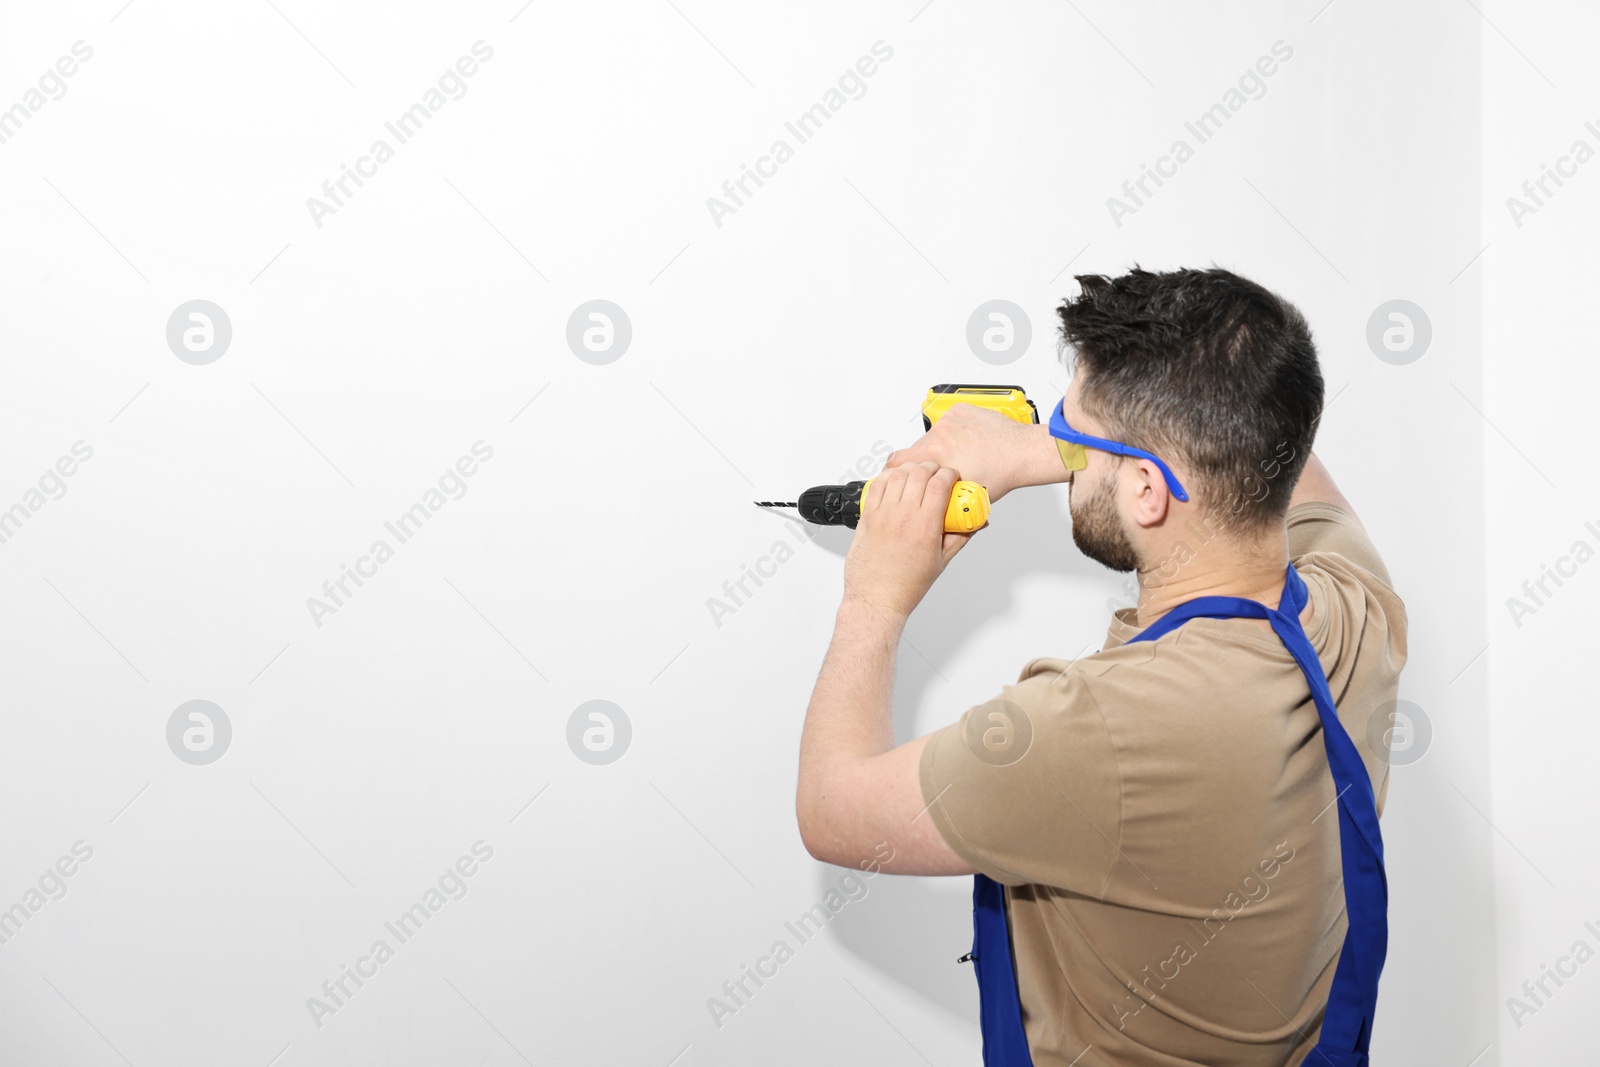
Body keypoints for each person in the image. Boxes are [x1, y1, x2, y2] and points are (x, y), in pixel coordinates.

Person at [794, 266, 1408, 1066]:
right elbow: (1268, 426)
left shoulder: (1092, 731)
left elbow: (833, 811)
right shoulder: (1356, 610)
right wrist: (1064, 446)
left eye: (1074, 435)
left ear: (1149, 489)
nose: (1065, 451)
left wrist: (873, 599)